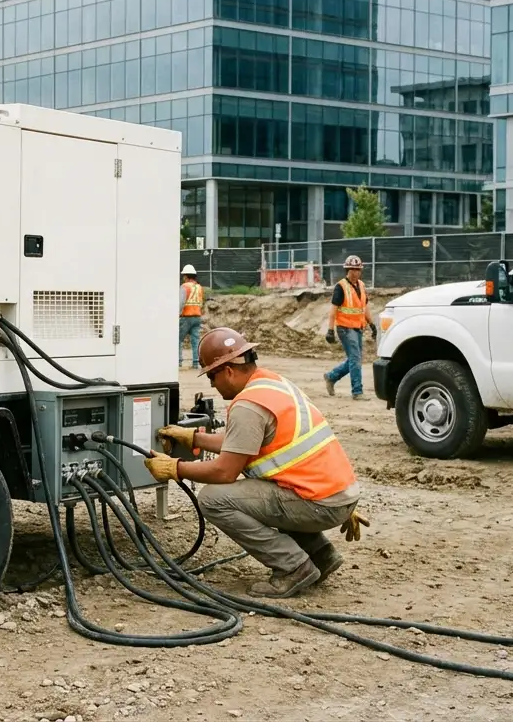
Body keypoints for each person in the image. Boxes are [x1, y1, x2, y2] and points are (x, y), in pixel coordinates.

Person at [147, 327, 368, 598]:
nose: (212, 385)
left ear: (228, 370)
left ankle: (293, 567)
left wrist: (174, 469)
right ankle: (321, 555)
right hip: (337, 494)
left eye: (212, 376)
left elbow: (225, 471)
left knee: (214, 499)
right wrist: (194, 437)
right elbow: (242, 441)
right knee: (265, 493)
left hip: (319, 502)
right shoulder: (272, 384)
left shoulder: (248, 405)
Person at [324, 255, 376, 401]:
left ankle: (331, 376)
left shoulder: (361, 286)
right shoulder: (341, 287)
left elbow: (364, 307)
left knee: (355, 359)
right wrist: (330, 330)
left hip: (357, 328)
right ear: (347, 270)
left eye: (358, 269)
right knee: (355, 358)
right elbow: (333, 310)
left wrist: (372, 324)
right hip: (344, 328)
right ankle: (357, 391)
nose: (356, 272)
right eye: (353, 269)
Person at [178, 264, 205, 369]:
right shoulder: (199, 287)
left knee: (178, 340)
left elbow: (181, 302)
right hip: (197, 317)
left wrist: (177, 314)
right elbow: (201, 302)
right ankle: (195, 363)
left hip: (186, 316)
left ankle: (179, 361)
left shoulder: (185, 287)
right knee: (195, 341)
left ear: (186, 276)